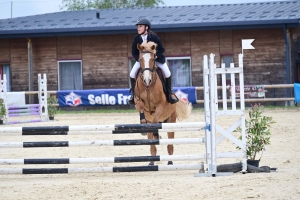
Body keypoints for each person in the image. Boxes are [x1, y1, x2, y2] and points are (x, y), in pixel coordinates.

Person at [128, 18, 179, 104]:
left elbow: (162, 49)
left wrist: (155, 56)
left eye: (140, 26)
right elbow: (134, 52)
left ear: (146, 27)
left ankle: (169, 94)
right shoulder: (136, 38)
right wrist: (140, 60)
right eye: (138, 27)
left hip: (156, 59)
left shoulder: (154, 37)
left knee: (167, 73)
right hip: (143, 61)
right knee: (132, 74)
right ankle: (134, 95)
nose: (138, 28)